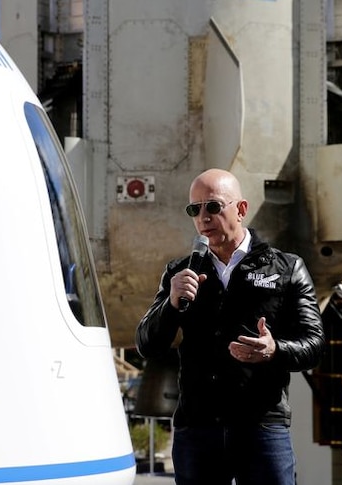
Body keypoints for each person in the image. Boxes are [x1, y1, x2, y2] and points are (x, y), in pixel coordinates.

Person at [135, 168, 324, 485]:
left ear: (241, 209)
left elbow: (314, 344)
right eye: (194, 209)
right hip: (198, 430)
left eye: (213, 206)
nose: (203, 217)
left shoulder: (287, 268)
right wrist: (170, 304)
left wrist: (274, 349)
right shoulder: (180, 272)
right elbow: (147, 344)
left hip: (262, 425)